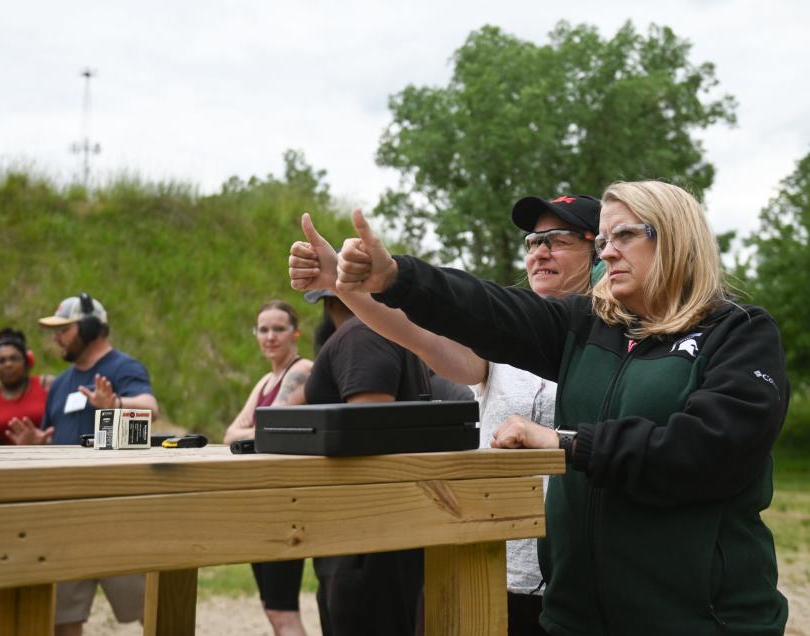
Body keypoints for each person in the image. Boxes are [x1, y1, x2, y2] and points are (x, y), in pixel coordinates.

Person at [301, 181, 789, 635]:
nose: (609, 251)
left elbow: (712, 447)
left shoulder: (739, 332)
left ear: (676, 238)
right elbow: (486, 307)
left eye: (623, 235)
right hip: (573, 619)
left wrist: (569, 444)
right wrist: (396, 277)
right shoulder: (587, 326)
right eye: (602, 242)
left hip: (697, 620)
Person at [289, 193, 600, 635]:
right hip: (482, 562)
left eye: (560, 239)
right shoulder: (501, 336)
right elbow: (417, 335)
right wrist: (342, 285)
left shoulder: (616, 340)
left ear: (600, 249)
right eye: (533, 242)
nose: (540, 251)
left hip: (575, 581)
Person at [7, 293, 159, 636]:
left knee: (150, 610)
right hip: (66, 513)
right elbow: (56, 437)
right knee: (62, 619)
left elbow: (150, 409)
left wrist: (115, 403)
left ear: (91, 328)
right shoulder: (61, 383)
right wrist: (37, 445)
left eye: (64, 329)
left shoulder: (124, 368)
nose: (56, 337)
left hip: (115, 513)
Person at [302, 287, 429, 636]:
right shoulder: (378, 333)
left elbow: (370, 431)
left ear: (329, 303)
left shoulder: (361, 335)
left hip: (366, 536)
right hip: (374, 534)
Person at [224, 301, 313, 636]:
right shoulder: (265, 381)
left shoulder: (303, 371)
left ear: (295, 333)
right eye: (263, 329)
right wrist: (257, 430)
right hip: (262, 498)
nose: (270, 336)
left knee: (282, 609)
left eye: (279, 329)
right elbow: (231, 433)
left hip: (286, 498)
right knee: (272, 608)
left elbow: (271, 428)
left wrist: (256, 430)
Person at [0, 327, 54, 444]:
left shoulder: (47, 385)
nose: (8, 365)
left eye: (14, 359)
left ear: (27, 361)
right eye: (1, 361)